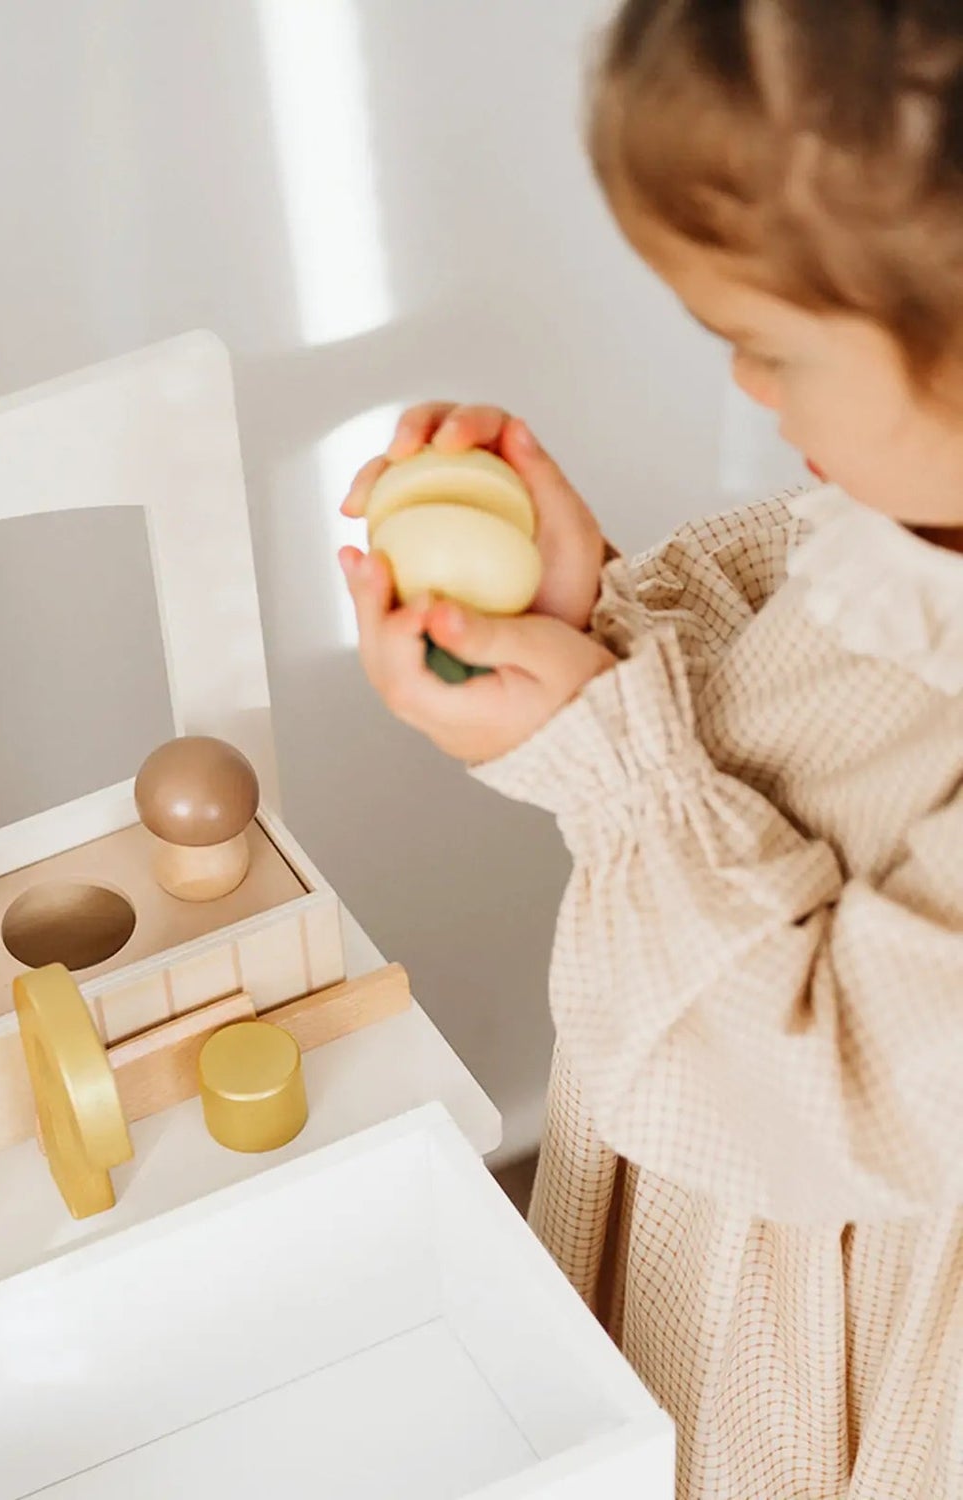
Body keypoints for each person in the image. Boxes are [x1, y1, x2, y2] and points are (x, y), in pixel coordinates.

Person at [337, 3, 963, 1497]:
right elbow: (804, 661)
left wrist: (603, 754)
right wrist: (602, 624)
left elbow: (837, 1090)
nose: (746, 389)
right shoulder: (918, 508)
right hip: (727, 1186)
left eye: (766, 345)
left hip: (831, 1291)